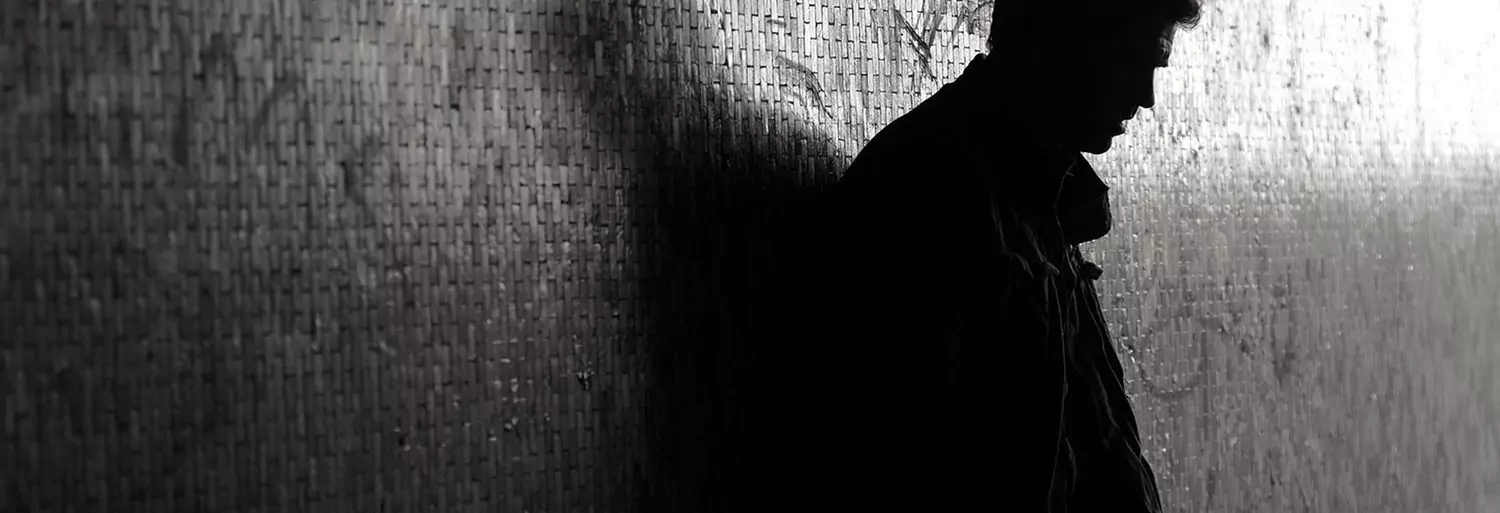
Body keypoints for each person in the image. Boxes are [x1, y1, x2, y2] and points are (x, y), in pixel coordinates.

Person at [761, 1, 1204, 511]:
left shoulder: (1039, 197)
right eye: (1132, 60)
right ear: (1058, 37)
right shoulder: (928, 194)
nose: (1146, 96)